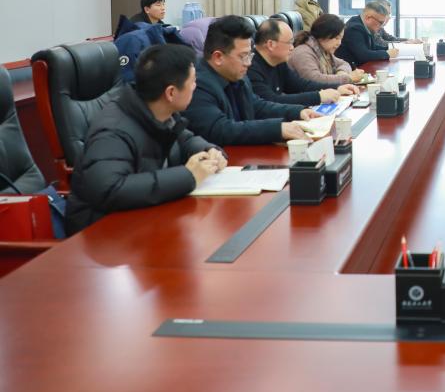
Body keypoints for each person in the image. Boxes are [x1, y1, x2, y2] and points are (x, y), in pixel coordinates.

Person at [65, 44, 226, 234]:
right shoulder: (112, 132)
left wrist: (208, 150)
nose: (195, 87)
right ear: (171, 93)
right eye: (192, 81)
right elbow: (110, 190)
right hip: (103, 235)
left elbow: (184, 139)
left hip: (144, 220)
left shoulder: (159, 111)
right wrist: (188, 176)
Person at [185, 15, 318, 146]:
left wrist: (298, 112)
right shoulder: (196, 84)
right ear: (218, 57)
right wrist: (278, 129)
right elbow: (221, 130)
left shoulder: (237, 75)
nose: (248, 63)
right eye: (243, 56)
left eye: (250, 55)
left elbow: (256, 106)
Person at [248, 18, 358, 106]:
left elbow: (301, 85)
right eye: (289, 42)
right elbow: (271, 101)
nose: (292, 47)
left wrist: (337, 88)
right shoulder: (251, 68)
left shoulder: (279, 62)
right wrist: (318, 96)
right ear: (271, 44)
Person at [289, 14, 366, 86]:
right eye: (336, 38)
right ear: (324, 34)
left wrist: (341, 72)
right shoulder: (303, 53)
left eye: (341, 38)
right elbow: (315, 80)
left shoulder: (323, 50)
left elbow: (344, 64)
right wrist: (348, 78)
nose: (339, 43)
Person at [338, 1, 400, 67]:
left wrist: (389, 48)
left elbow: (372, 47)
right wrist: (387, 54)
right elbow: (363, 55)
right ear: (368, 18)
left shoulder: (365, 26)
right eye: (380, 22)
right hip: (350, 70)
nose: (381, 26)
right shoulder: (354, 28)